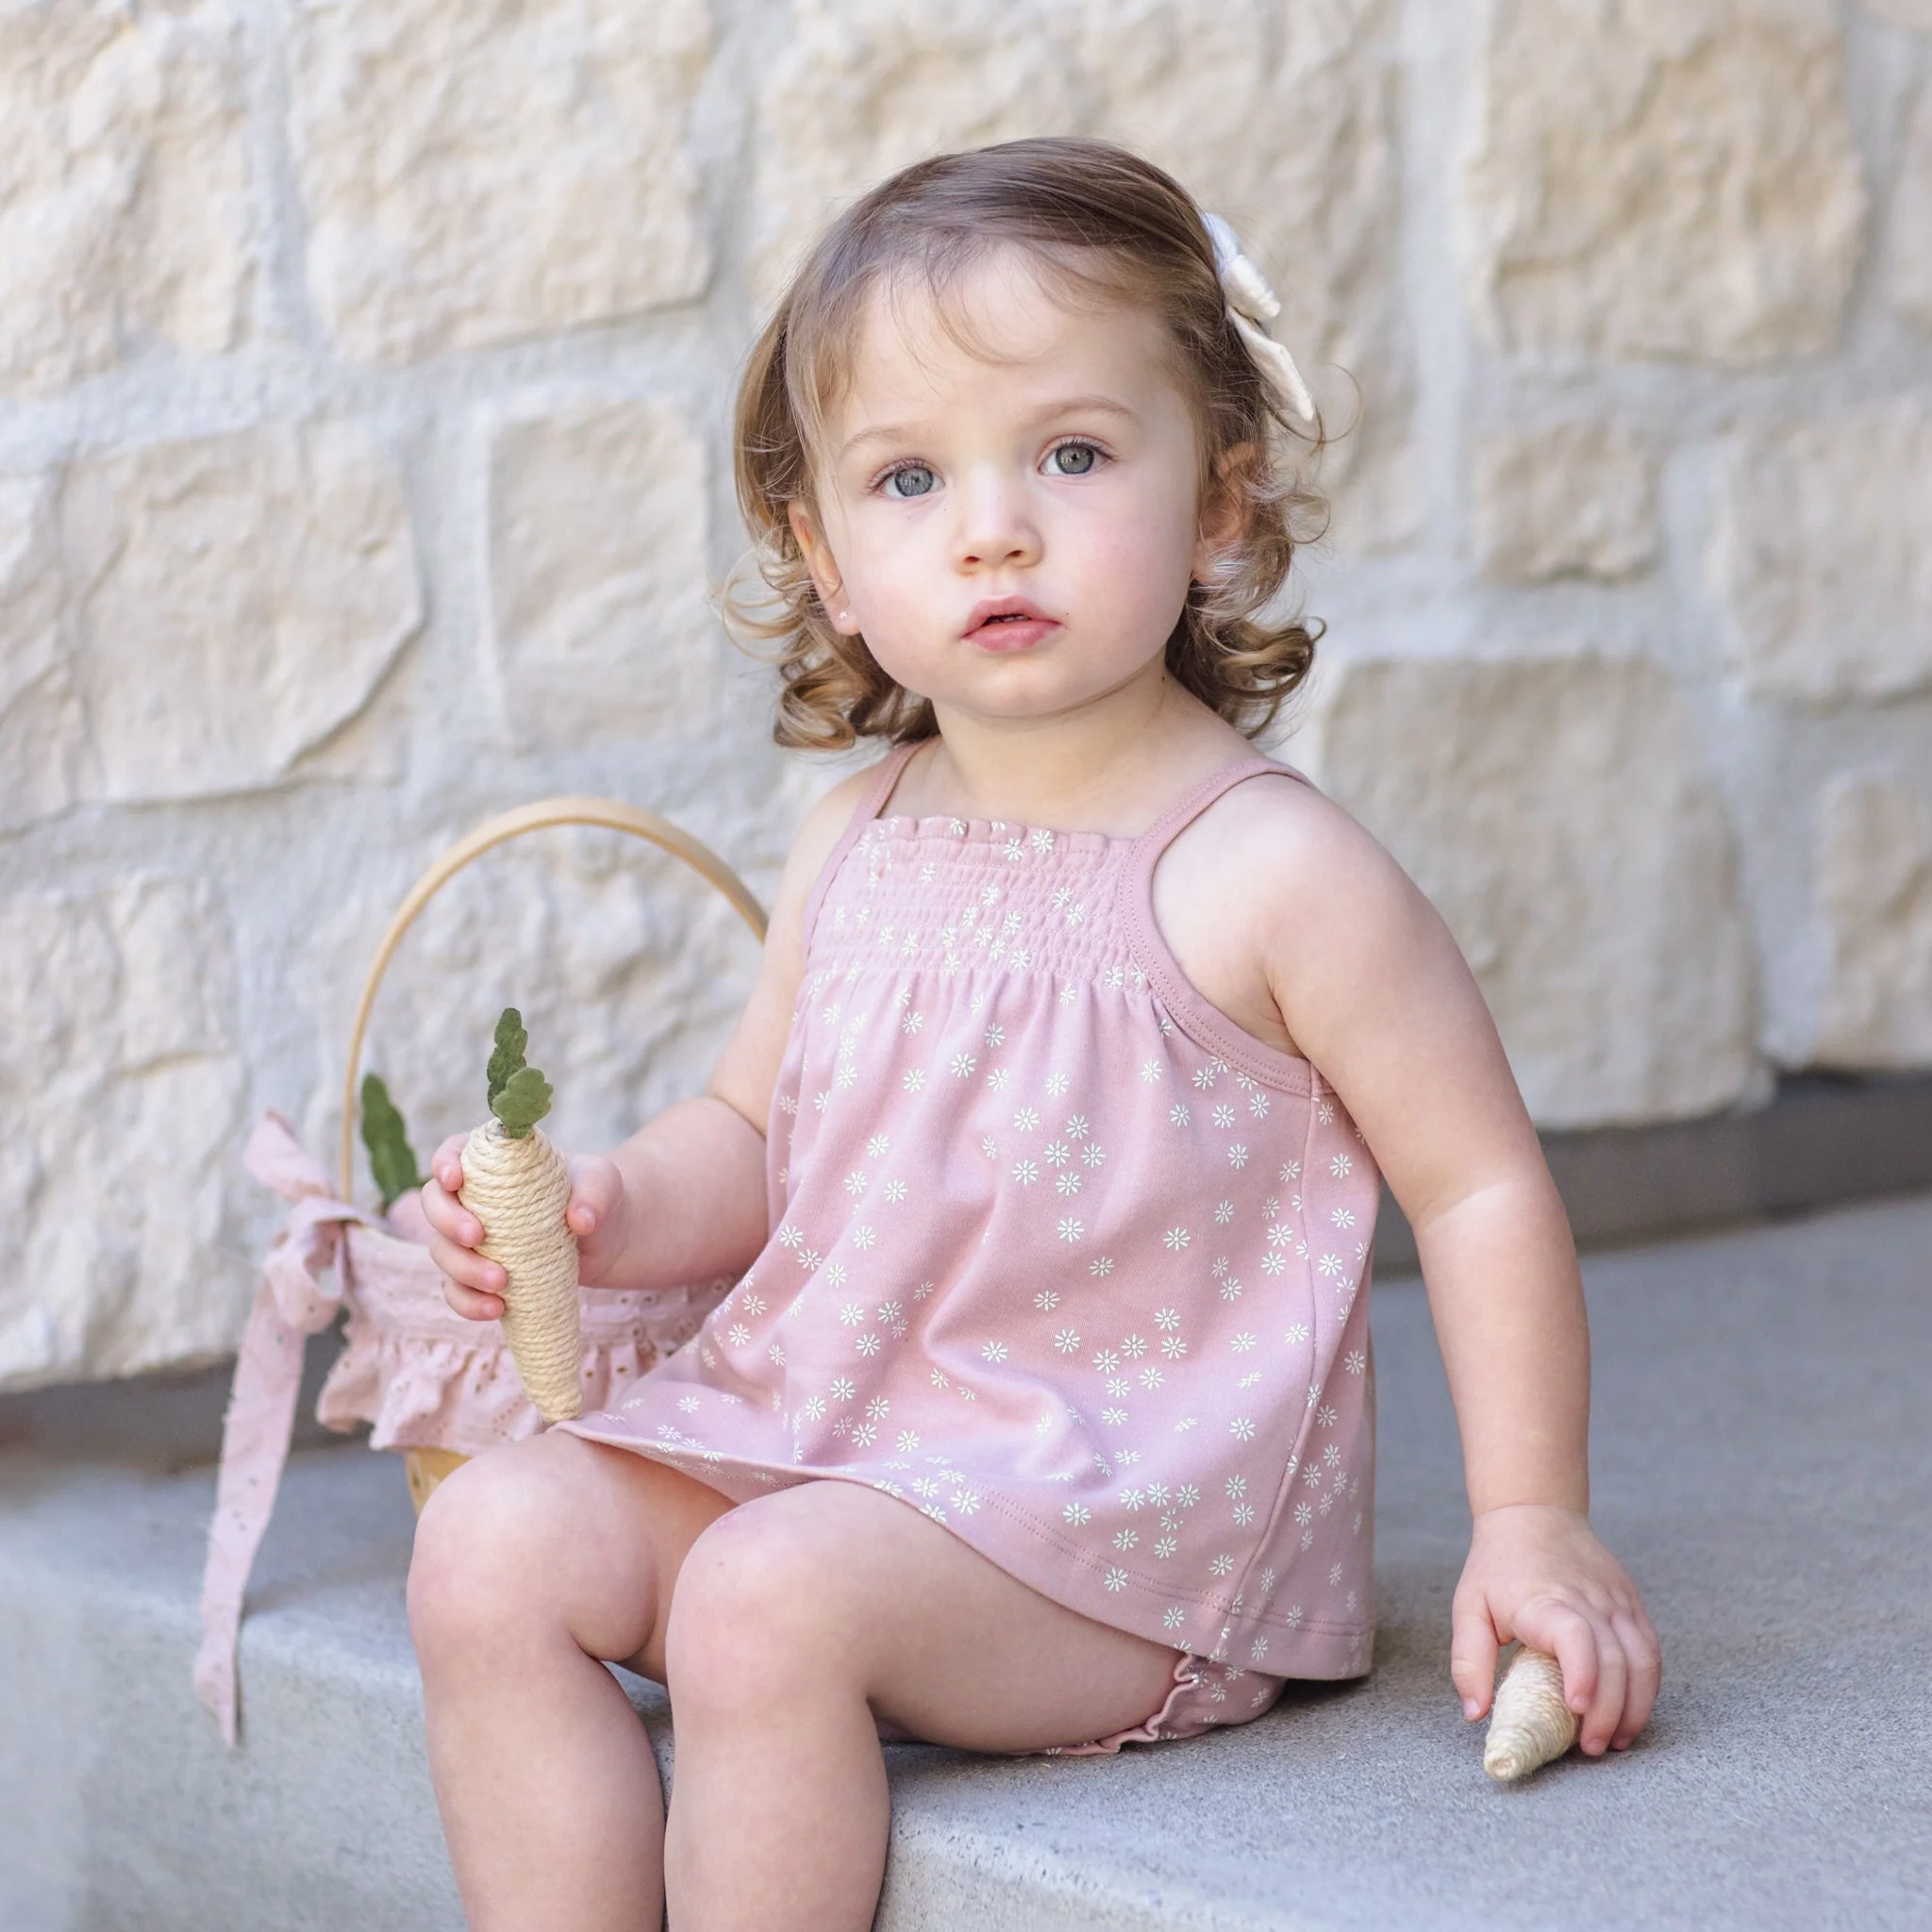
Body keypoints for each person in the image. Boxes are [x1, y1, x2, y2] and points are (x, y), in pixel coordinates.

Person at [410, 134, 1660, 1931]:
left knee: (764, 1598)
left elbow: (1474, 1192)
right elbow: (753, 1142)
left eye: (1071, 453)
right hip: (850, 1447)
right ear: (828, 560)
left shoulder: (1268, 871)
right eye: (907, 479)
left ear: (1220, 502)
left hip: (1125, 1522)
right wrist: (606, 1202)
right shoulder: (859, 836)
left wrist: (1531, 1516)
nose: (992, 524)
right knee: (489, 1541)